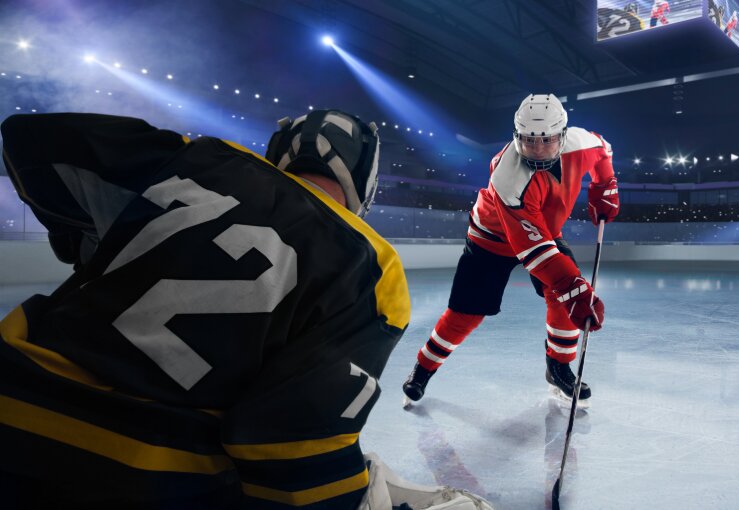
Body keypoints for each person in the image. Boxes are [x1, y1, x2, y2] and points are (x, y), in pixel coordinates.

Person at [0, 111, 491, 509]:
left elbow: (31, 138)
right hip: (144, 477)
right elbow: (291, 454)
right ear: (366, 176)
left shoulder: (200, 159)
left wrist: (85, 240)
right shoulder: (371, 264)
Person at [401, 94, 619, 409]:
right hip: (492, 238)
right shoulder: (507, 175)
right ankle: (423, 368)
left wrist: (604, 184)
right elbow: (534, 250)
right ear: (517, 136)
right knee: (466, 313)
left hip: (544, 232)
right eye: (530, 141)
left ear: (563, 134)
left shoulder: (581, 142)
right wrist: (573, 287)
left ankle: (558, 368)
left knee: (562, 301)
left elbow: (604, 151)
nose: (538, 150)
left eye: (547, 141)